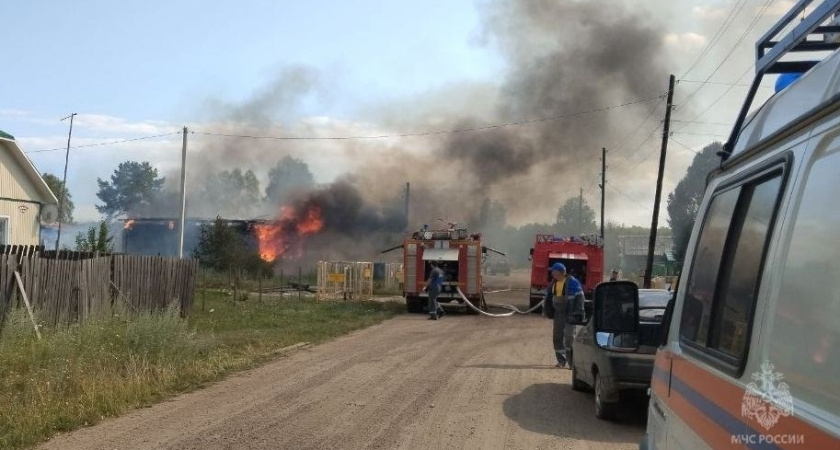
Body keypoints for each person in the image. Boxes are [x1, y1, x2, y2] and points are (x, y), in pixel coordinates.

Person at [545, 262, 585, 368]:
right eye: (552, 272)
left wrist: (578, 313)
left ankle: (572, 363)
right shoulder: (553, 283)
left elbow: (580, 299)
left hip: (570, 313)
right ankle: (561, 361)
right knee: (557, 337)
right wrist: (547, 311)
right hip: (558, 314)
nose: (553, 274)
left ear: (561, 272)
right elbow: (548, 298)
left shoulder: (573, 283)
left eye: (554, 272)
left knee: (569, 337)